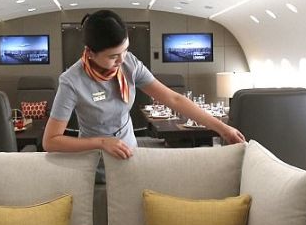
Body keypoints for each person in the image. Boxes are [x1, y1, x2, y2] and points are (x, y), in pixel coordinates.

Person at [43, 9, 245, 159]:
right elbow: (50, 141)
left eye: (124, 50)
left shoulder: (129, 63)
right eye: (113, 56)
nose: (121, 60)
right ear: (90, 53)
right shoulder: (71, 81)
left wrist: (222, 128)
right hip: (92, 155)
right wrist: (102, 142)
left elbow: (173, 99)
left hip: (129, 149)